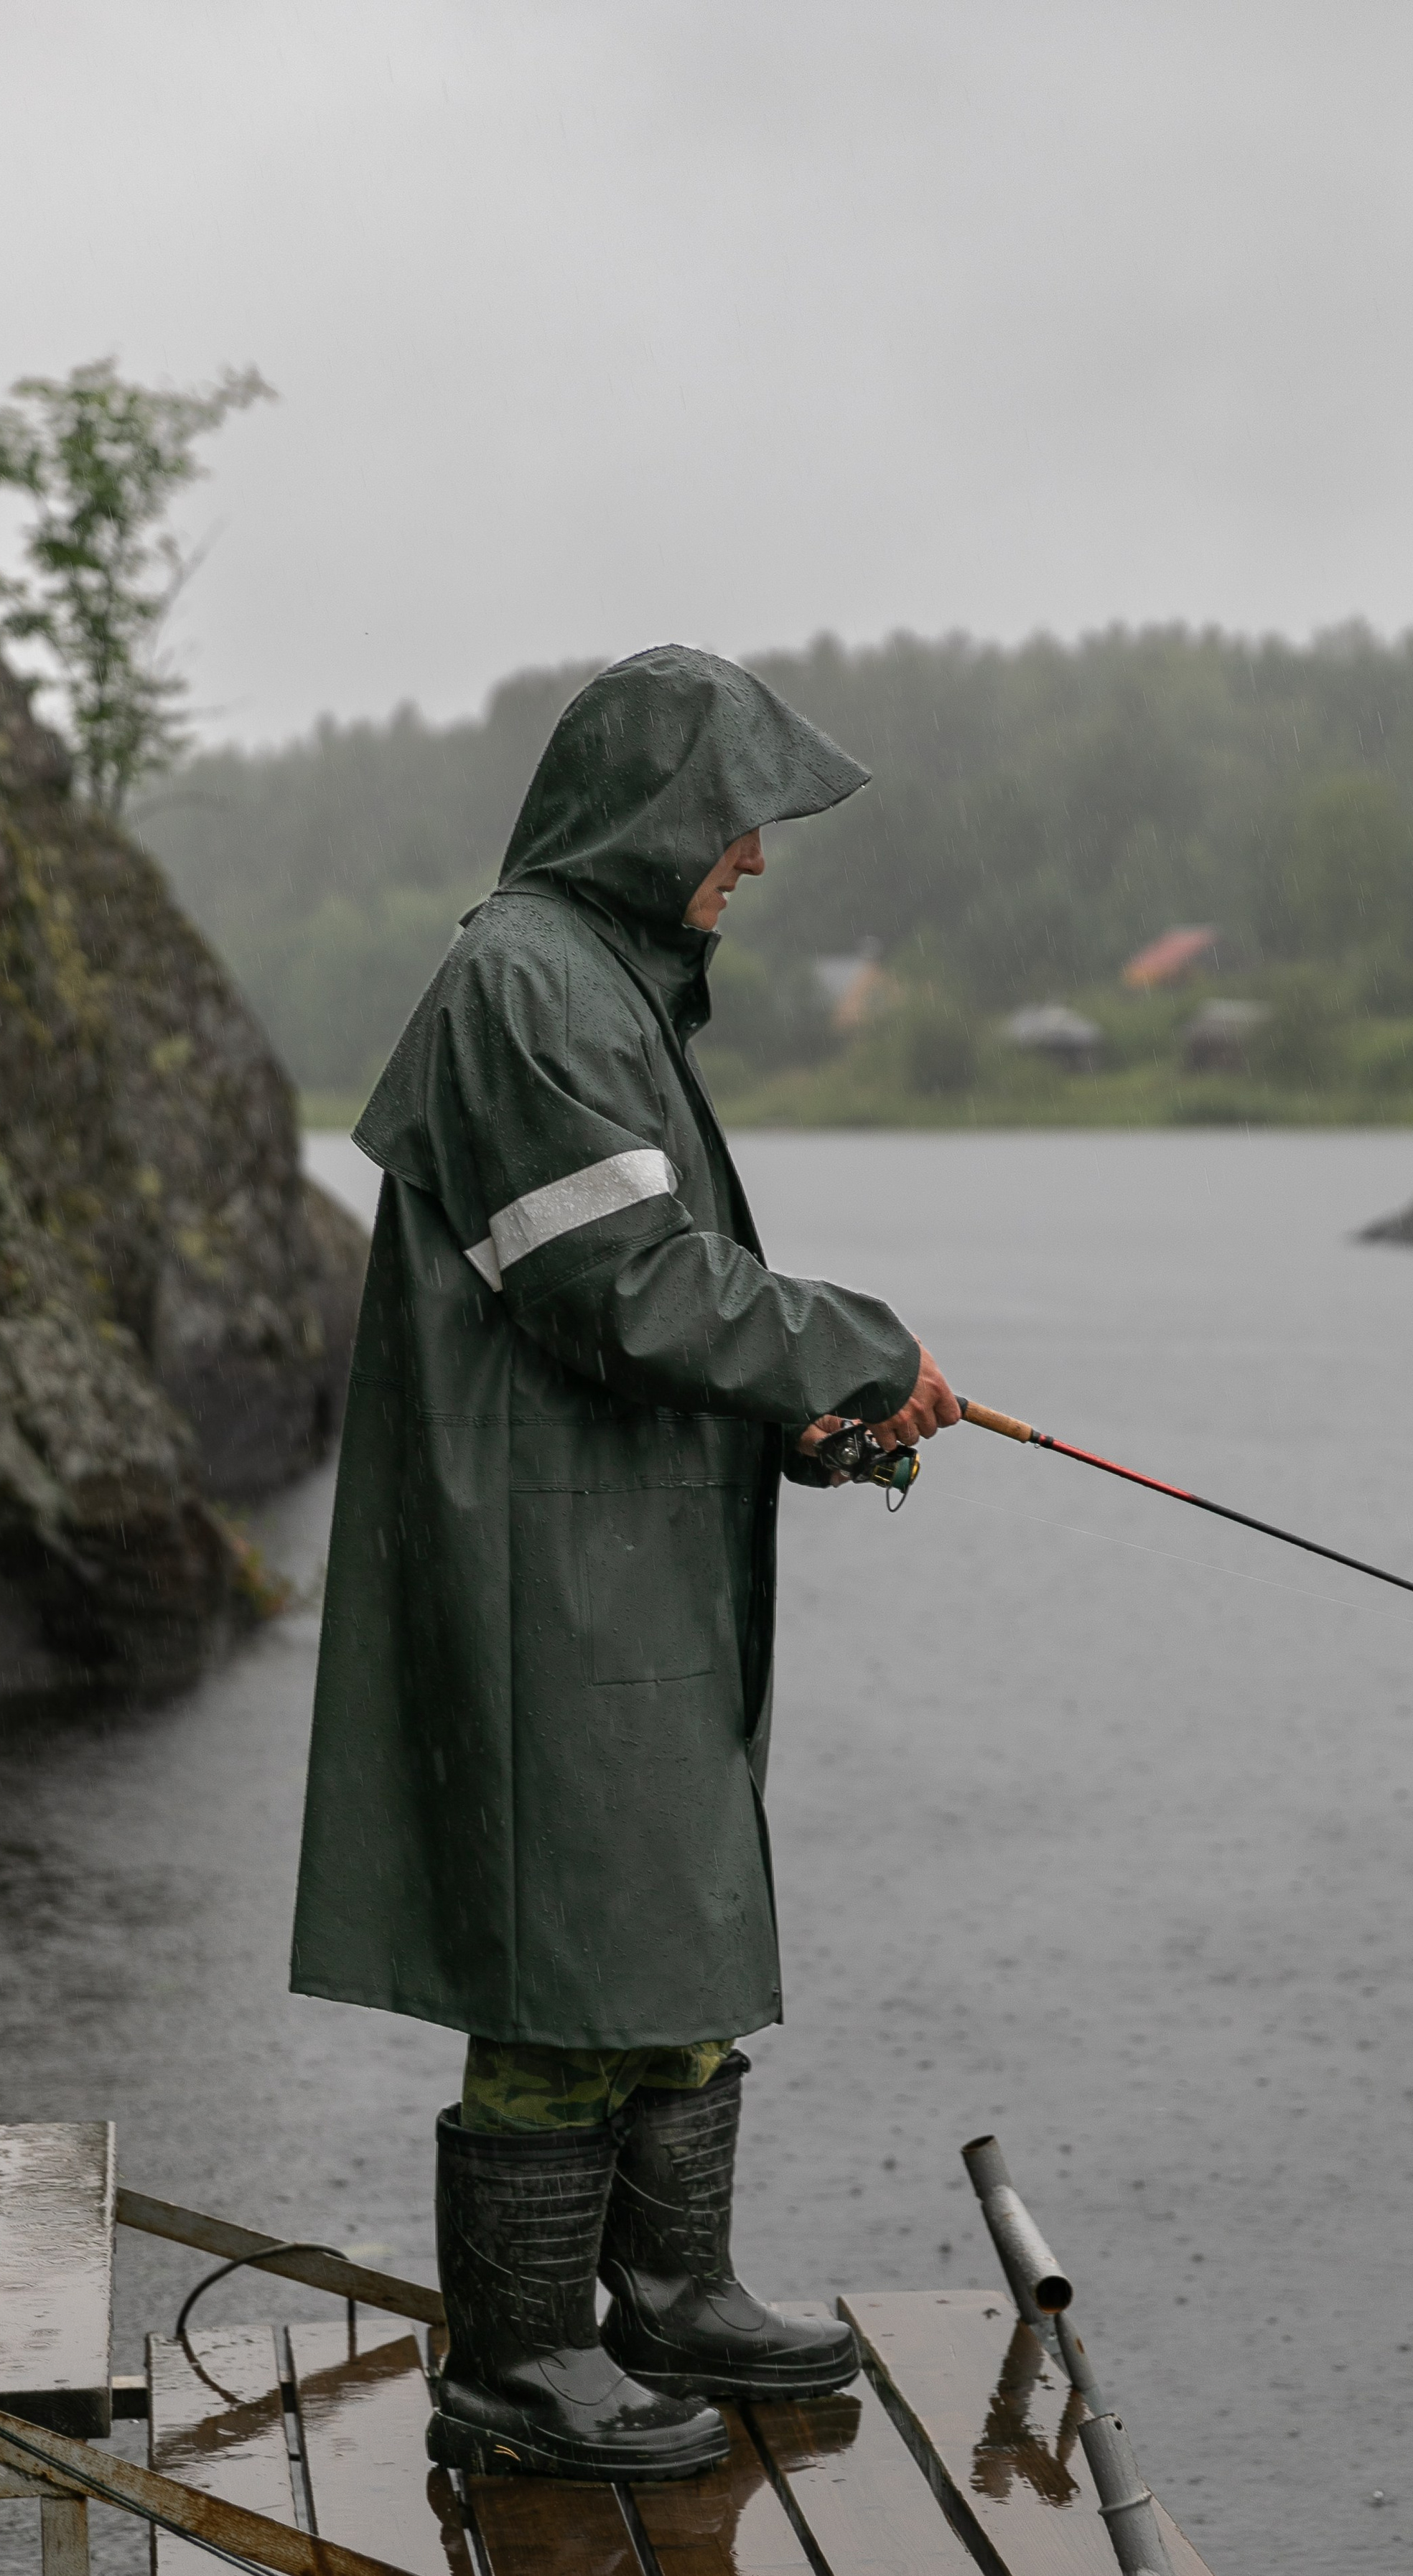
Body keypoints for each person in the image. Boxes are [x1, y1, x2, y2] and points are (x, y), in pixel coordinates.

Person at [292, 644, 960, 2481]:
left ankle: (668, 2296)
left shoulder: (589, 977)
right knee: (564, 1951)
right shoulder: (522, 981)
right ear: (646, 818)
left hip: (621, 1553)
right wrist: (856, 1349)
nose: (754, 856)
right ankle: (520, 2362)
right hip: (546, 1569)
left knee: (665, 1916)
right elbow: (619, 1283)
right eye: (734, 819)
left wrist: (800, 1422)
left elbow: (636, 1310)